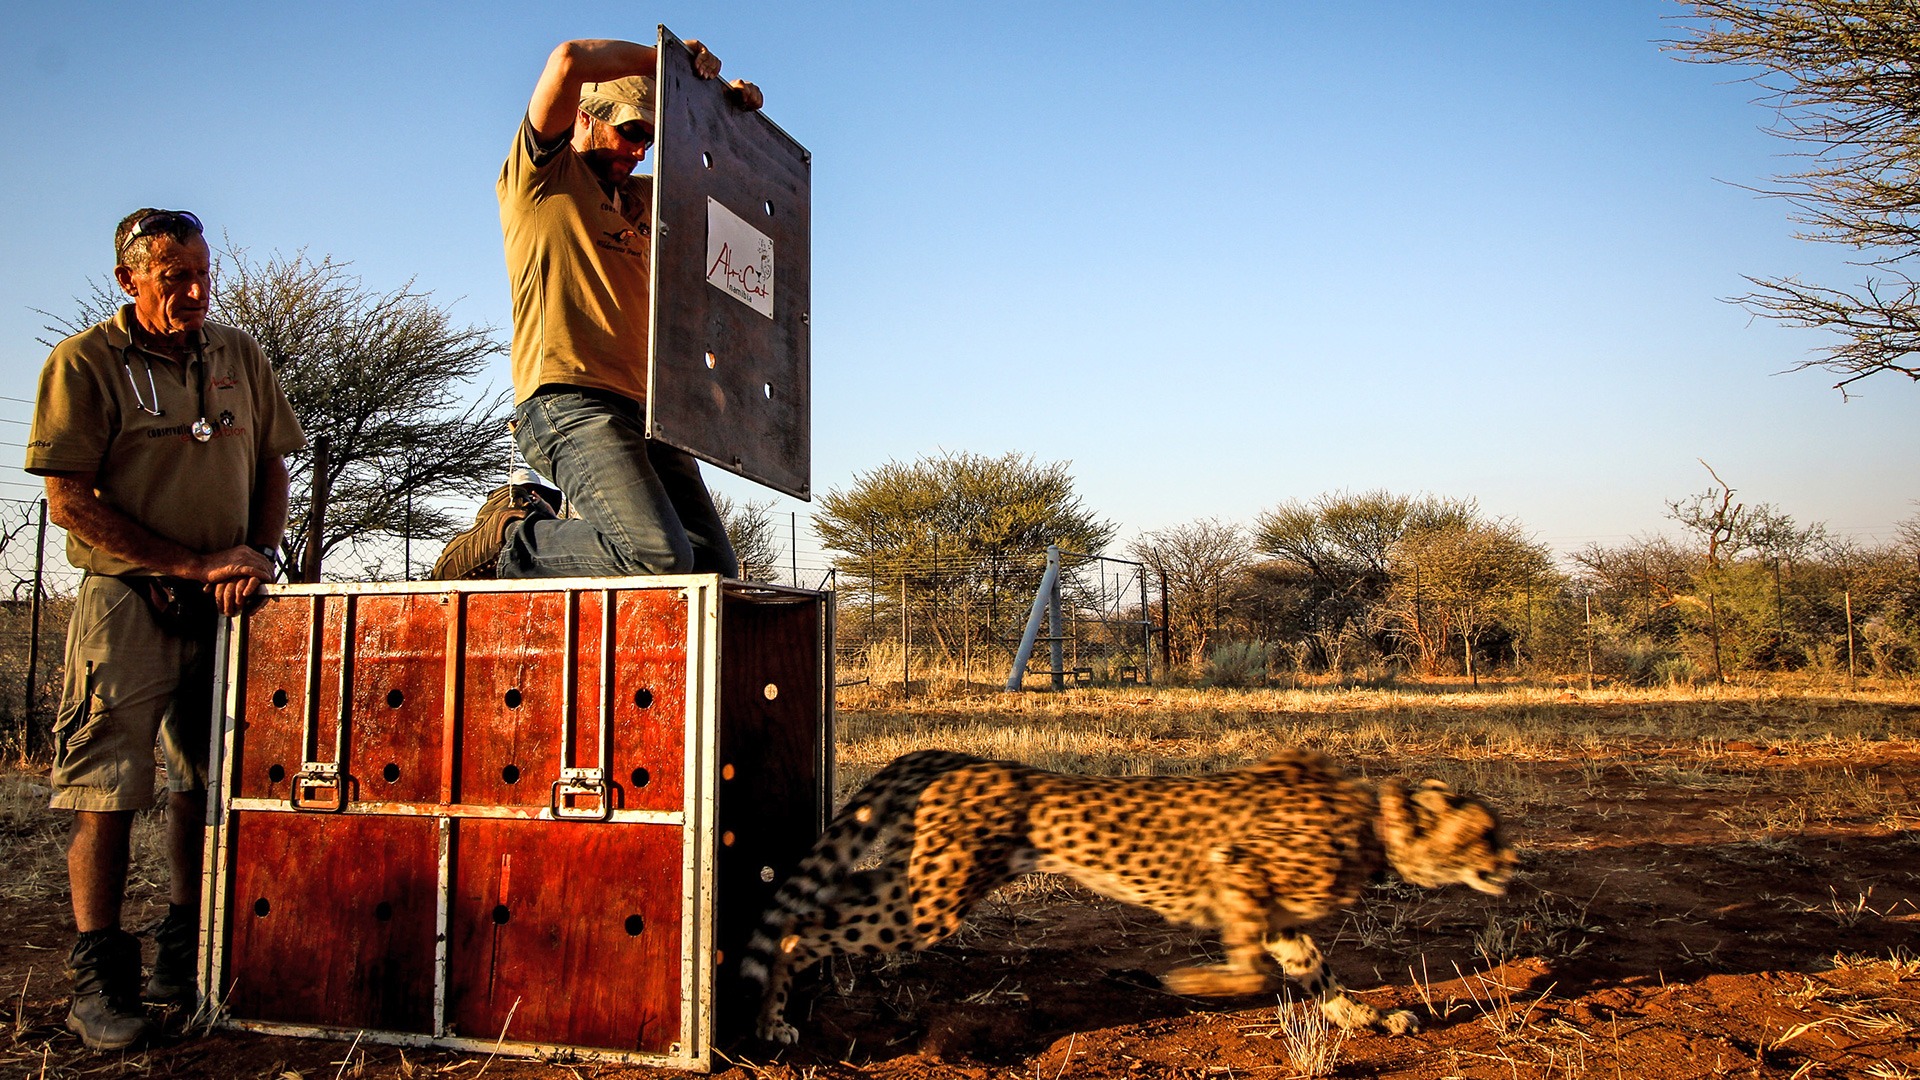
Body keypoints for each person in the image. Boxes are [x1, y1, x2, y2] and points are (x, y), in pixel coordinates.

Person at [26, 208, 304, 1050]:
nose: (192, 291)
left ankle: (187, 954)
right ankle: (98, 979)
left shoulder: (239, 356)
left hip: (226, 600)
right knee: (107, 788)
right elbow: (69, 502)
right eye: (172, 276)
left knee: (206, 781)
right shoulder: (84, 363)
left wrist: (254, 554)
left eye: (201, 274)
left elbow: (271, 465)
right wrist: (186, 567)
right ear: (129, 280)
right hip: (127, 602)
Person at [433, 37, 762, 580]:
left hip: (650, 412)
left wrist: (727, 111)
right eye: (630, 132)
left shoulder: (641, 200)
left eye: (648, 141)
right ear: (585, 116)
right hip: (568, 401)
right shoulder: (542, 178)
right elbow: (567, 60)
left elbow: (732, 191)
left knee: (712, 571)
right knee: (656, 556)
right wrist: (667, 60)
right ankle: (512, 540)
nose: (637, 152)